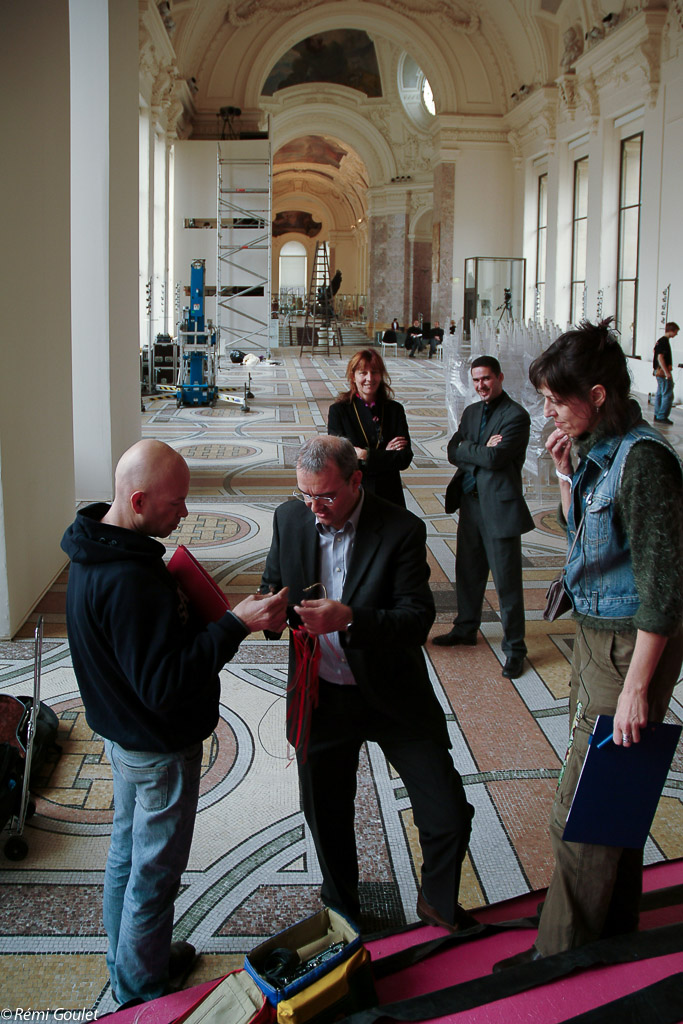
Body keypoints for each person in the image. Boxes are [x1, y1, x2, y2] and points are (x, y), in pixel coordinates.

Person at [61, 440, 288, 1008]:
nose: (184, 515)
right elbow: (164, 685)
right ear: (138, 500)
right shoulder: (129, 581)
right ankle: (140, 989)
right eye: (175, 503)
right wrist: (234, 623)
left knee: (125, 856)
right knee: (153, 875)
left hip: (122, 734)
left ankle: (135, 959)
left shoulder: (99, 547)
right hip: (157, 746)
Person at [495, 319, 683, 970]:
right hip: (599, 640)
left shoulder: (644, 461)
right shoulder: (595, 452)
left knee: (581, 816)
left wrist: (635, 690)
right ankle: (611, 939)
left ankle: (556, 963)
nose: (547, 411)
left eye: (555, 399)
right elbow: (590, 550)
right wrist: (565, 479)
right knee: (616, 805)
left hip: (629, 652)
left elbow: (664, 585)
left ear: (596, 394)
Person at [261, 436, 476, 933]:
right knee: (327, 815)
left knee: (447, 812)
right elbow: (276, 585)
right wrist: (266, 611)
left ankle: (437, 902)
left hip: (391, 693)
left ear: (357, 480)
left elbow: (416, 618)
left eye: (327, 497)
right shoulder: (289, 520)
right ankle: (343, 910)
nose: (315, 510)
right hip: (322, 697)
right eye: (305, 496)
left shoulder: (400, 528)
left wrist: (351, 619)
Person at [433, 356, 534, 679]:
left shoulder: (515, 415)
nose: (481, 386)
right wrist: (476, 448)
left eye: (486, 379)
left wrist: (469, 448)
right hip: (470, 505)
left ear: (500, 377)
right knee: (468, 572)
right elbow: (452, 449)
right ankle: (465, 628)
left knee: (507, 583)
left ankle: (515, 649)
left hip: (500, 509)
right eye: (476, 380)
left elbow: (496, 457)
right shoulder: (471, 411)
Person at [327, 348, 412, 507]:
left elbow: (404, 458)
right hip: (355, 492)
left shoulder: (394, 410)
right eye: (363, 373)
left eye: (375, 372)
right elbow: (340, 459)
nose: (369, 378)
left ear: (381, 375)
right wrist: (385, 455)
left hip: (389, 493)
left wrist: (365, 454)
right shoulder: (339, 410)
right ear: (353, 376)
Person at [652, 320, 679, 425]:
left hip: (658, 371)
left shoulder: (660, 341)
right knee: (667, 394)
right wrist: (667, 372)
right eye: (676, 331)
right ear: (671, 331)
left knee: (660, 393)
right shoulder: (664, 342)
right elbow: (660, 357)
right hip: (662, 372)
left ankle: (657, 413)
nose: (676, 334)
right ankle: (662, 416)